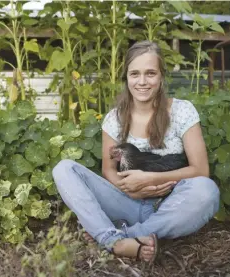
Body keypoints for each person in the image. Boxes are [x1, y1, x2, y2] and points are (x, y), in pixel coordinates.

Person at [52, 41, 220, 263]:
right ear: (126, 78)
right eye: (135, 74)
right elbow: (108, 171)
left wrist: (151, 178)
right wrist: (130, 190)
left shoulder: (182, 111)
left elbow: (201, 170)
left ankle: (117, 238)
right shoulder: (114, 119)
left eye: (150, 73)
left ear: (161, 77)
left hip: (170, 205)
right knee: (64, 169)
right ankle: (118, 239)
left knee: (206, 190)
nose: (142, 81)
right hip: (126, 202)